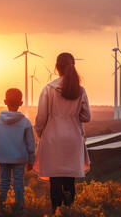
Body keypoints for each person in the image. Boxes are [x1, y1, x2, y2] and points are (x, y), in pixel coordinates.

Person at [33, 52, 91, 212]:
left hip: (52, 139)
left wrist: (39, 133)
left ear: (56, 67)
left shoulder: (48, 89)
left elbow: (41, 118)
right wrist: (72, 115)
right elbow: (87, 117)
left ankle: (56, 212)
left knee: (55, 179)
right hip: (73, 139)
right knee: (69, 180)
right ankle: (69, 211)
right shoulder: (80, 90)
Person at [0, 88, 35, 213]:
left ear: (5, 101)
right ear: (21, 103)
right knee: (18, 183)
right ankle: (20, 208)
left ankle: (0, 208)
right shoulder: (26, 122)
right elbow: (31, 144)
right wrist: (31, 160)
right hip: (19, 158)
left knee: (3, 182)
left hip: (3, 156)